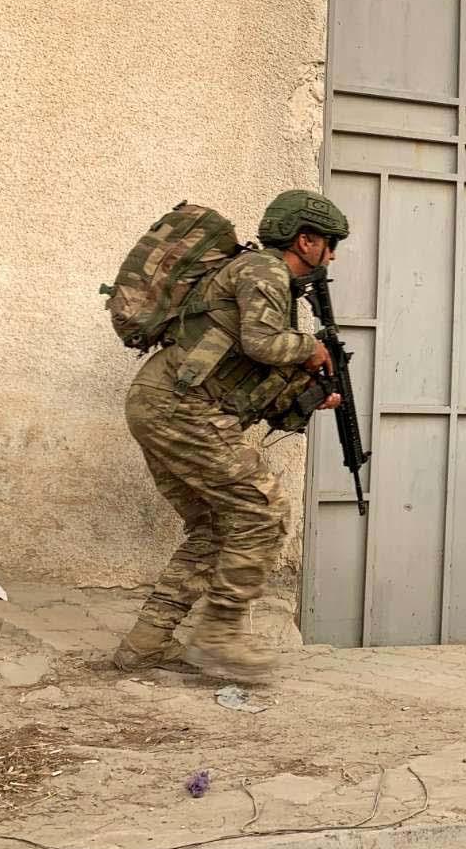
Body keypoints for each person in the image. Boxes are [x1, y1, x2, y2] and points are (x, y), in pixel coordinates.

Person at [112, 190, 349, 679]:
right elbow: (263, 344)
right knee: (264, 510)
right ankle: (220, 635)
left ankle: (144, 645)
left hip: (168, 405)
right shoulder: (264, 270)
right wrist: (311, 349)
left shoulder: (265, 281)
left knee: (217, 527)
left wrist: (309, 397)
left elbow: (248, 377)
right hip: (179, 407)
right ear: (305, 240)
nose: (332, 256)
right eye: (330, 244)